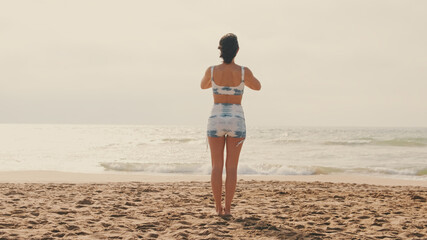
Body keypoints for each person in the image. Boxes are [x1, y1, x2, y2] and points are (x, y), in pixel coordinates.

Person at [200, 33, 261, 216]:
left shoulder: (212, 71)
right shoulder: (243, 71)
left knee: (216, 166)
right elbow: (257, 86)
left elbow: (203, 86)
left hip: (216, 118)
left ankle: (218, 208)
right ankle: (228, 209)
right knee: (232, 168)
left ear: (220, 50)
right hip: (236, 119)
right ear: (237, 50)